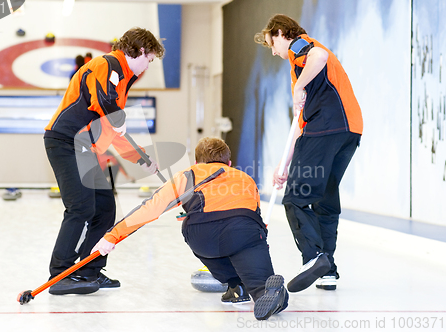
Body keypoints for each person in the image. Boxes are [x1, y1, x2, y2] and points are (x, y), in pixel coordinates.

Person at [92, 137, 289, 321]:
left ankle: (236, 286)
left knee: (195, 227)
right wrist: (259, 241)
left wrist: (112, 236)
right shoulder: (245, 178)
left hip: (203, 235)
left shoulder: (188, 175)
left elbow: (150, 208)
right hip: (244, 232)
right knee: (255, 259)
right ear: (229, 164)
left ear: (197, 163)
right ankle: (266, 292)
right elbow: (254, 215)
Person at [43, 27, 165, 295]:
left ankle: (89, 270)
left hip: (85, 148)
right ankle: (60, 274)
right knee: (81, 208)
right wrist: (117, 116)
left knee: (105, 208)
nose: (148, 65)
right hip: (66, 142)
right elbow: (103, 102)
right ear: (141, 50)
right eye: (150, 59)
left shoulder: (121, 81)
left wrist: (141, 159)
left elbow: (112, 129)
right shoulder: (105, 64)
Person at [254, 14, 363, 293]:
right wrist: (284, 164)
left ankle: (314, 257)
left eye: (271, 44)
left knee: (296, 198)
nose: (274, 51)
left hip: (326, 128)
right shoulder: (305, 74)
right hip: (348, 131)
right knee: (325, 201)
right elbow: (300, 130)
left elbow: (320, 55)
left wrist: (299, 86)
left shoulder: (300, 47)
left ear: (280, 33)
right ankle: (328, 271)